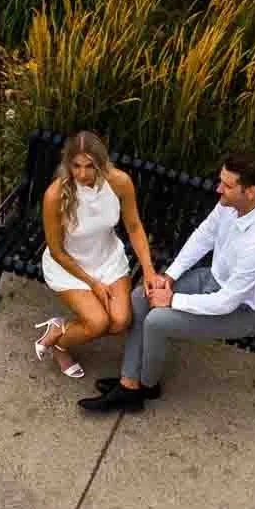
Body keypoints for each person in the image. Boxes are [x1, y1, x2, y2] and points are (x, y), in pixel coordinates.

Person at [80, 149, 255, 412]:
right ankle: (129, 383)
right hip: (213, 279)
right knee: (141, 297)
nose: (218, 188)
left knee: (157, 321)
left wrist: (172, 299)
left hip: (245, 310)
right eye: (220, 180)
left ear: (250, 191)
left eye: (227, 185)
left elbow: (226, 302)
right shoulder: (236, 202)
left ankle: (147, 386)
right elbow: (205, 235)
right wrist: (169, 277)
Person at [32, 131, 159, 380]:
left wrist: (148, 269)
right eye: (76, 166)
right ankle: (61, 345)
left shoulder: (120, 182)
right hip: (70, 267)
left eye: (89, 166)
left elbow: (134, 226)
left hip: (108, 261)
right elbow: (57, 251)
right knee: (98, 323)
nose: (82, 174)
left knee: (120, 321)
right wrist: (93, 284)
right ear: (67, 163)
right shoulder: (54, 196)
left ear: (101, 162)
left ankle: (60, 329)